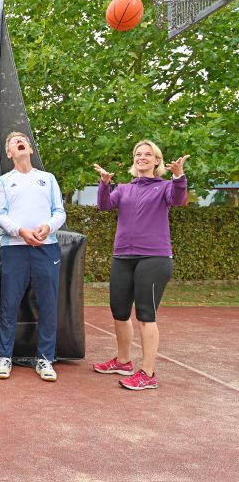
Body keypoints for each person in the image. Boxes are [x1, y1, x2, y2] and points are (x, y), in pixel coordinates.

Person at [92, 141, 189, 390]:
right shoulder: (124, 188)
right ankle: (123, 361)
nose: (142, 157)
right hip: (123, 257)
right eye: (138, 154)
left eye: (148, 154)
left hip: (154, 258)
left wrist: (179, 176)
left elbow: (179, 200)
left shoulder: (165, 187)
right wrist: (104, 184)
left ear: (157, 161)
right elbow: (104, 205)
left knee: (146, 315)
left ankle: (147, 373)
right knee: (119, 312)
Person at [0, 132, 66, 382]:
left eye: (23, 139)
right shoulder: (3, 181)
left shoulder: (48, 178)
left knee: (47, 305)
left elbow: (59, 212)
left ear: (30, 149)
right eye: (13, 141)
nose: (19, 141)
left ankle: (45, 359)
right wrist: (20, 231)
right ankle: (4, 357)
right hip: (14, 248)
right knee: (9, 305)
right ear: (9, 153)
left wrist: (48, 227)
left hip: (47, 248)